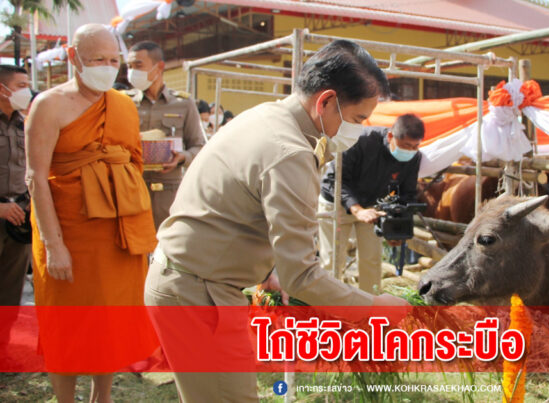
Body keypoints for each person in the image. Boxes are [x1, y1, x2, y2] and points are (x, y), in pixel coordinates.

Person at [144, 39, 407, 402]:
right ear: (326, 101)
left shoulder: (268, 116)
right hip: (198, 293)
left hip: (191, 282)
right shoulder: (290, 152)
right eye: (359, 119)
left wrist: (268, 270)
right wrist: (374, 308)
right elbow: (303, 277)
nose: (360, 131)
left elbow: (239, 210)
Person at [25, 24, 158, 402]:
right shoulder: (48, 104)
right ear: (73, 57)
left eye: (113, 60)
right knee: (65, 324)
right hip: (68, 232)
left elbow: (133, 163)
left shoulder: (122, 105)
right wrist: (54, 246)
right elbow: (36, 177)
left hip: (116, 233)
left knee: (111, 322)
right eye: (98, 59)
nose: (107, 66)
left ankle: (103, 394)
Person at [318, 114, 424, 293]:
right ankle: (329, 308)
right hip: (336, 203)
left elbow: (407, 194)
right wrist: (357, 209)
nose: (410, 151)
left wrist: (396, 228)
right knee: (333, 261)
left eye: (415, 146)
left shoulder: (414, 157)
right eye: (406, 146)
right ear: (391, 137)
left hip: (372, 208)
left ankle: (369, 307)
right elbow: (335, 180)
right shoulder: (360, 141)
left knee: (372, 260)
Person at [124, 41, 206, 229]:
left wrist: (181, 157)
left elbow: (199, 146)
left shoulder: (183, 104)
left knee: (166, 249)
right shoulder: (124, 102)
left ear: (159, 67)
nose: (132, 72)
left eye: (138, 65)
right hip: (132, 189)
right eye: (129, 66)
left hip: (169, 193)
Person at [0, 65, 32, 349]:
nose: (27, 90)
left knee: (11, 290)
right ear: (2, 89)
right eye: (21, 85)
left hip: (18, 218)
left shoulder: (26, 124)